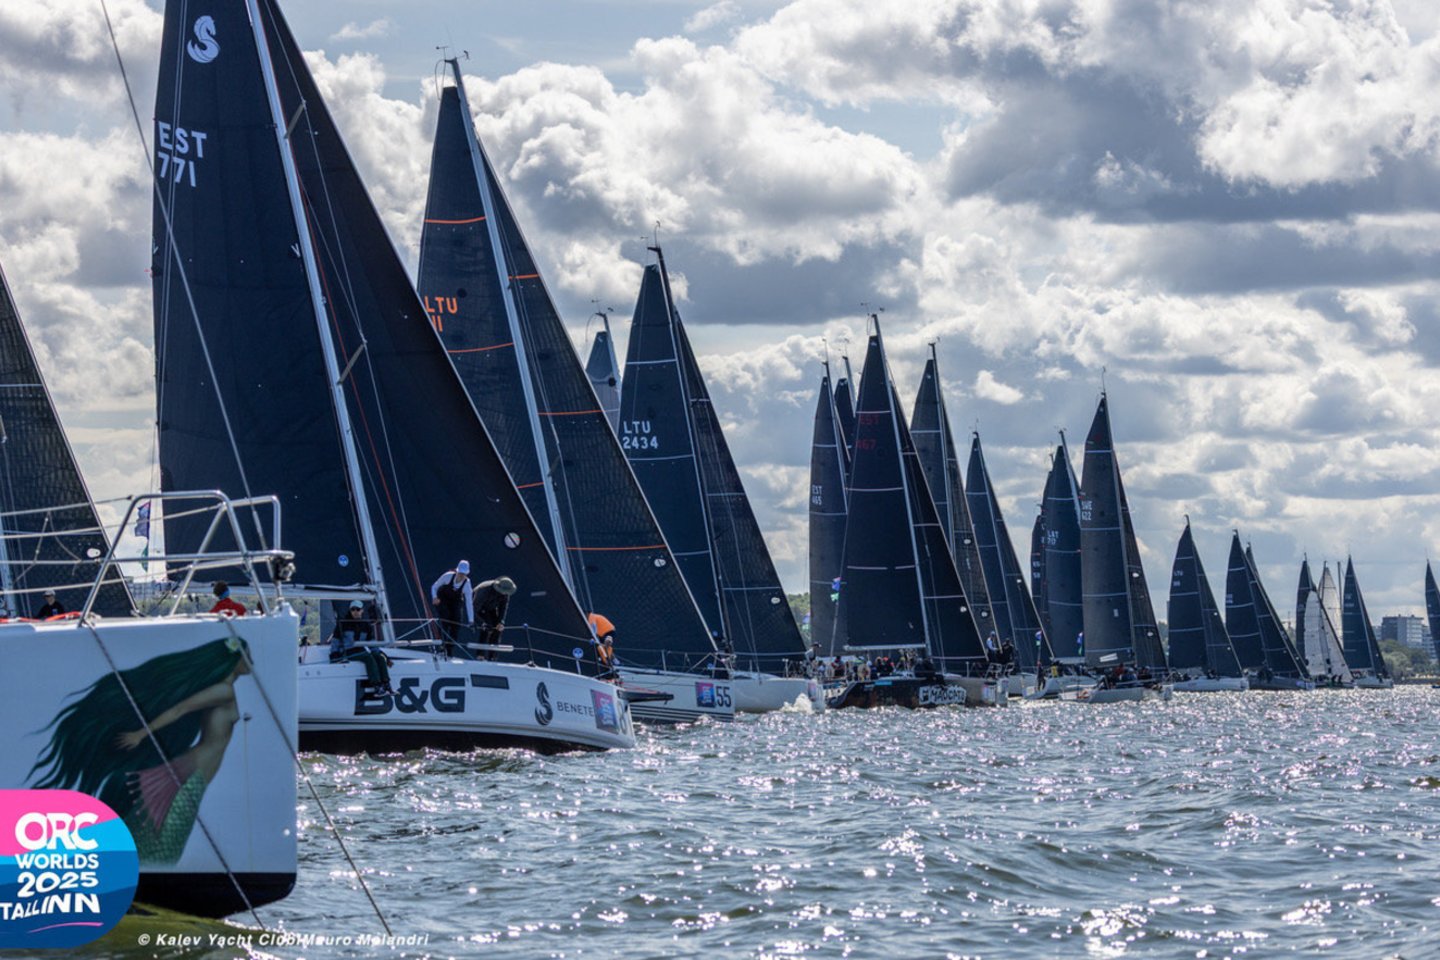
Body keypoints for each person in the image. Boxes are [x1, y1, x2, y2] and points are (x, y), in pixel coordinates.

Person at [329, 600, 393, 695]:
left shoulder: (366, 625)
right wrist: (334, 655)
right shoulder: (343, 624)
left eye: (358, 609)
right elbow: (335, 641)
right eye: (353, 609)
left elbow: (371, 642)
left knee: (379, 657)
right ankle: (377, 686)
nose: (355, 611)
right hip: (348, 652)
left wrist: (381, 653)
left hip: (360, 651)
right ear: (350, 611)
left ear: (362, 610)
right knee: (368, 658)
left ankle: (386, 684)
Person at [430, 560, 474, 655]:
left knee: (456, 623)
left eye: (464, 574)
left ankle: (449, 649)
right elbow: (434, 586)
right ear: (457, 571)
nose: (461, 576)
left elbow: (469, 602)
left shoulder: (467, 584)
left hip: (455, 602)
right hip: (443, 600)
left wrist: (471, 621)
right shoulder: (448, 576)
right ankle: (441, 646)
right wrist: (434, 597)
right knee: (445, 618)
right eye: (460, 573)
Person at [471, 576, 516, 660]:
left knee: (498, 629)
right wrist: (481, 623)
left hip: (490, 607)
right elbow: (473, 610)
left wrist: (501, 622)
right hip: (478, 607)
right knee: (487, 627)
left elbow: (503, 608)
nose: (505, 594)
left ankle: (493, 656)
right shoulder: (484, 590)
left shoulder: (505, 593)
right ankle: (480, 655)